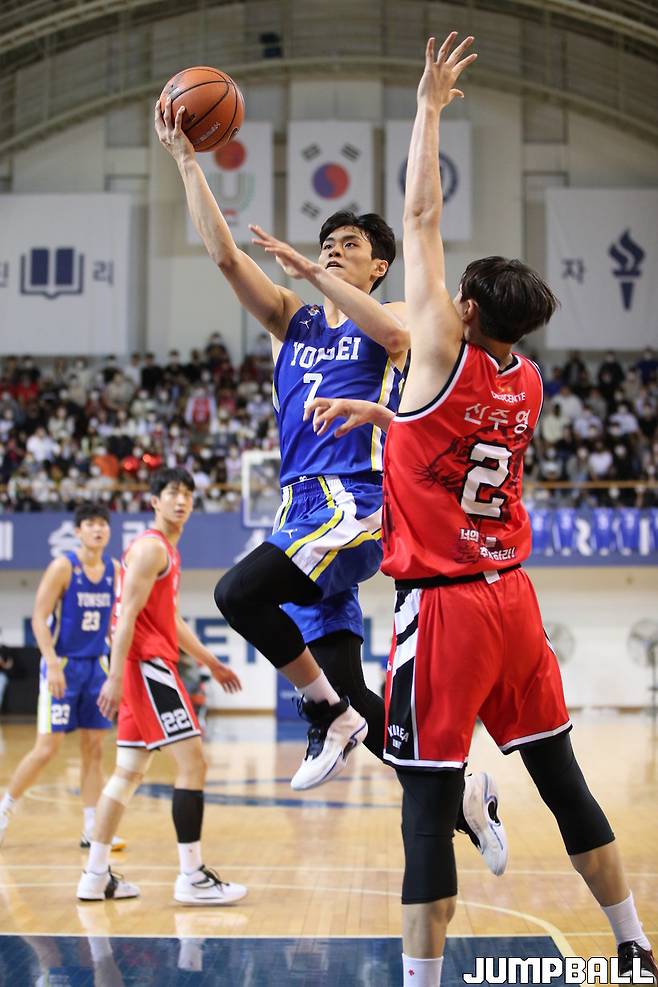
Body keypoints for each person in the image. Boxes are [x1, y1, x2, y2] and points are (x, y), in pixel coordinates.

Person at [305, 32, 657, 987]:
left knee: (424, 808)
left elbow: (419, 215)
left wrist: (427, 107)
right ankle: (632, 944)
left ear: (464, 308)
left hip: (447, 609)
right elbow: (452, 439)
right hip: (515, 601)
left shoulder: (437, 350)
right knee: (564, 780)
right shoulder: (526, 380)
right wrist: (388, 416)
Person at [154, 98, 508, 876]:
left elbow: (400, 336)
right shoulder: (295, 322)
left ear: (378, 265)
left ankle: (325, 713)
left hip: (356, 504)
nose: (333, 251)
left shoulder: (389, 316)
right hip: (300, 509)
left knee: (238, 595)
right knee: (359, 696)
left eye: (350, 245)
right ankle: (462, 793)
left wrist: (319, 274)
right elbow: (225, 257)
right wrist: (186, 161)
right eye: (327, 245)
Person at [76, 467, 246, 905]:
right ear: (154, 501)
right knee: (193, 764)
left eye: (187, 493)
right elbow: (125, 618)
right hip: (147, 666)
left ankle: (95, 875)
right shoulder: (152, 548)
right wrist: (116, 676)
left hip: (143, 665)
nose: (181, 500)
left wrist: (211, 662)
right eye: (172, 492)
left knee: (128, 773)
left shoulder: (164, 551)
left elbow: (168, 618)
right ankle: (191, 876)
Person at [0, 504, 124, 851]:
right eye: (90, 524)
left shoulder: (115, 570)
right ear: (78, 531)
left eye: (103, 524)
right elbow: (39, 618)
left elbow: (113, 623)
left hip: (97, 666)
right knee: (46, 749)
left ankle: (92, 828)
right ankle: (4, 810)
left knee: (94, 749)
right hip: (64, 665)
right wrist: (52, 663)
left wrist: (116, 668)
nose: (98, 529)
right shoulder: (63, 567)